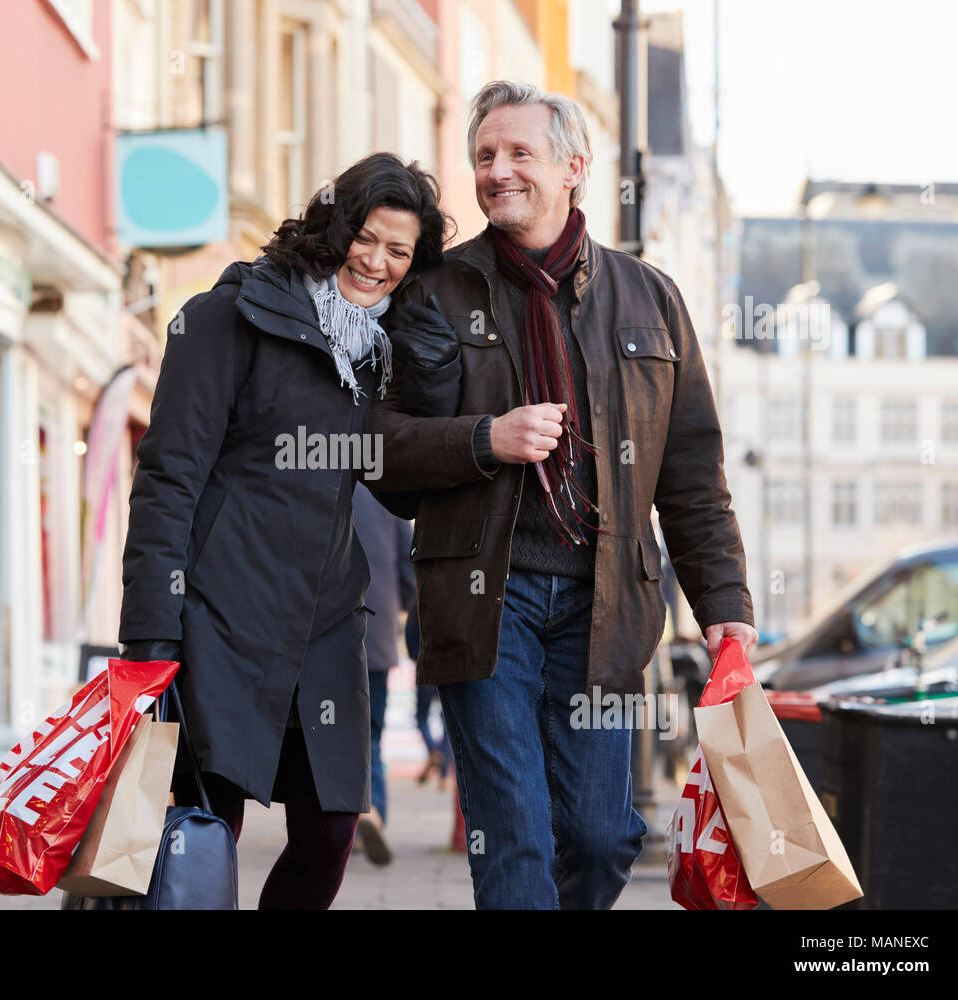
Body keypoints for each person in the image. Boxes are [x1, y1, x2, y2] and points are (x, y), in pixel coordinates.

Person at [370, 81, 758, 909]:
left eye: (518, 153)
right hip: (485, 601)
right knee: (516, 835)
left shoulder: (649, 299)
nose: (496, 171)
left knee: (600, 835)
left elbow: (691, 472)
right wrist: (485, 438)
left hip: (606, 607)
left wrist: (725, 600)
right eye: (483, 155)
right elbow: (381, 452)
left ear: (575, 167)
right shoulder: (437, 292)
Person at [118, 152, 452, 909]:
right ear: (334, 228)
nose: (377, 262)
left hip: (327, 625)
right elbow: (168, 476)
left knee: (333, 827)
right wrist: (150, 639)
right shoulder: (229, 317)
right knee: (206, 826)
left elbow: (398, 488)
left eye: (400, 252)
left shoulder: (380, 356)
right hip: (219, 616)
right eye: (367, 238)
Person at [350, 484, 415, 865]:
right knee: (372, 733)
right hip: (378, 636)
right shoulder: (387, 492)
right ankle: (376, 815)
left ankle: (350, 814)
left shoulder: (317, 476)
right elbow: (409, 569)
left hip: (328, 634)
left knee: (333, 731)